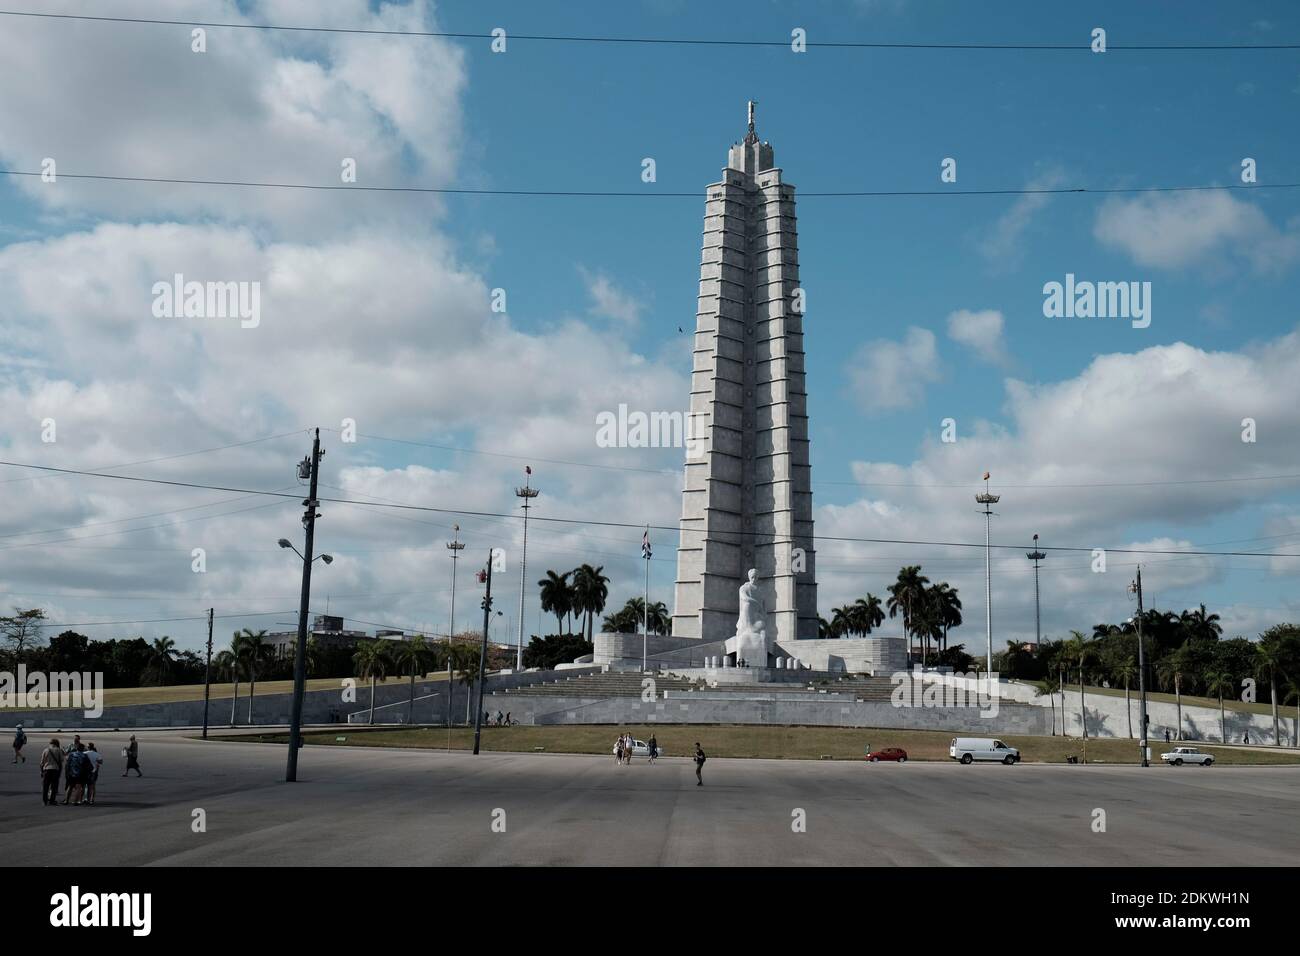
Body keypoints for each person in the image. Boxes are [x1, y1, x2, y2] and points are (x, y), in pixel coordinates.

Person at [39, 738, 63, 805]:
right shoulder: (58, 750)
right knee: (54, 786)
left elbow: (41, 762)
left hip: (46, 769)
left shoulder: (45, 750)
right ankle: (52, 800)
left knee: (45, 786)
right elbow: (61, 761)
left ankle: (44, 801)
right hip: (55, 770)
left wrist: (41, 771)